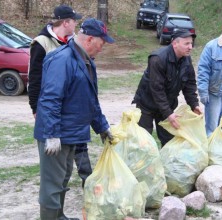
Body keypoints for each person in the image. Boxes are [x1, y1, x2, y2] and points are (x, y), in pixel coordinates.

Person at [34, 18, 115, 220]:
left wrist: (102, 127)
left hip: (71, 134)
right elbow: (50, 99)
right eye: (101, 43)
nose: (102, 48)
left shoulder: (87, 62)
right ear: (89, 39)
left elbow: (90, 101)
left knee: (62, 180)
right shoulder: (62, 60)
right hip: (56, 135)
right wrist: (52, 135)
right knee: (52, 185)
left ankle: (58, 216)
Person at [27, 5, 92, 189]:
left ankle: (88, 180)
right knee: (57, 157)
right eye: (74, 21)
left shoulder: (72, 42)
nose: (76, 25)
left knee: (79, 145)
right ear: (66, 22)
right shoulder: (41, 44)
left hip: (73, 110)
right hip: (53, 108)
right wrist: (35, 108)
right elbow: (35, 78)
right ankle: (55, 196)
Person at [132, 29, 201, 146]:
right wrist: (168, 113)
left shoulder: (186, 60)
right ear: (175, 43)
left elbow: (189, 84)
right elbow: (157, 89)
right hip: (146, 105)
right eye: (186, 43)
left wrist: (194, 104)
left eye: (191, 43)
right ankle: (143, 164)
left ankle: (166, 163)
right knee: (144, 141)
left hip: (166, 105)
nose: (190, 47)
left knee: (169, 140)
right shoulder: (158, 59)